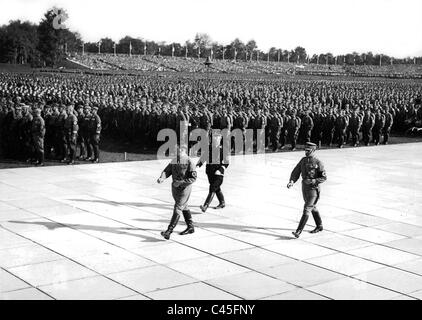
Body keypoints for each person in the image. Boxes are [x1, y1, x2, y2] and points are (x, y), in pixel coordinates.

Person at [287, 142, 327, 238]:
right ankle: (319, 225)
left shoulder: (318, 162)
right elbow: (296, 171)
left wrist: (313, 181)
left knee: (307, 208)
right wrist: (292, 181)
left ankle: (298, 231)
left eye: (308, 151)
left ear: (313, 150)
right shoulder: (303, 160)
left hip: (314, 189)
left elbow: (324, 177)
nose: (306, 152)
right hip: (305, 188)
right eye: (305, 150)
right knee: (312, 207)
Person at [157, 145, 197, 239]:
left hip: (184, 189)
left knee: (178, 207)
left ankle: (169, 231)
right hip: (175, 189)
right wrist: (162, 178)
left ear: (183, 150)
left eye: (178, 150)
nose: (175, 152)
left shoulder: (189, 162)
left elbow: (193, 178)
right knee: (184, 206)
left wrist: (180, 183)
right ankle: (190, 227)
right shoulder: (175, 160)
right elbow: (167, 170)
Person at [197, 132, 229, 212]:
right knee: (216, 188)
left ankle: (205, 206)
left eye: (217, 138)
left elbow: (226, 162)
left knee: (212, 188)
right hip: (210, 172)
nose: (215, 139)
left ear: (220, 138)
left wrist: (220, 170)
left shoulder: (223, 149)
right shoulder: (209, 148)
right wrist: (198, 164)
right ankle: (222, 202)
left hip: (218, 173)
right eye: (214, 138)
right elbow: (203, 157)